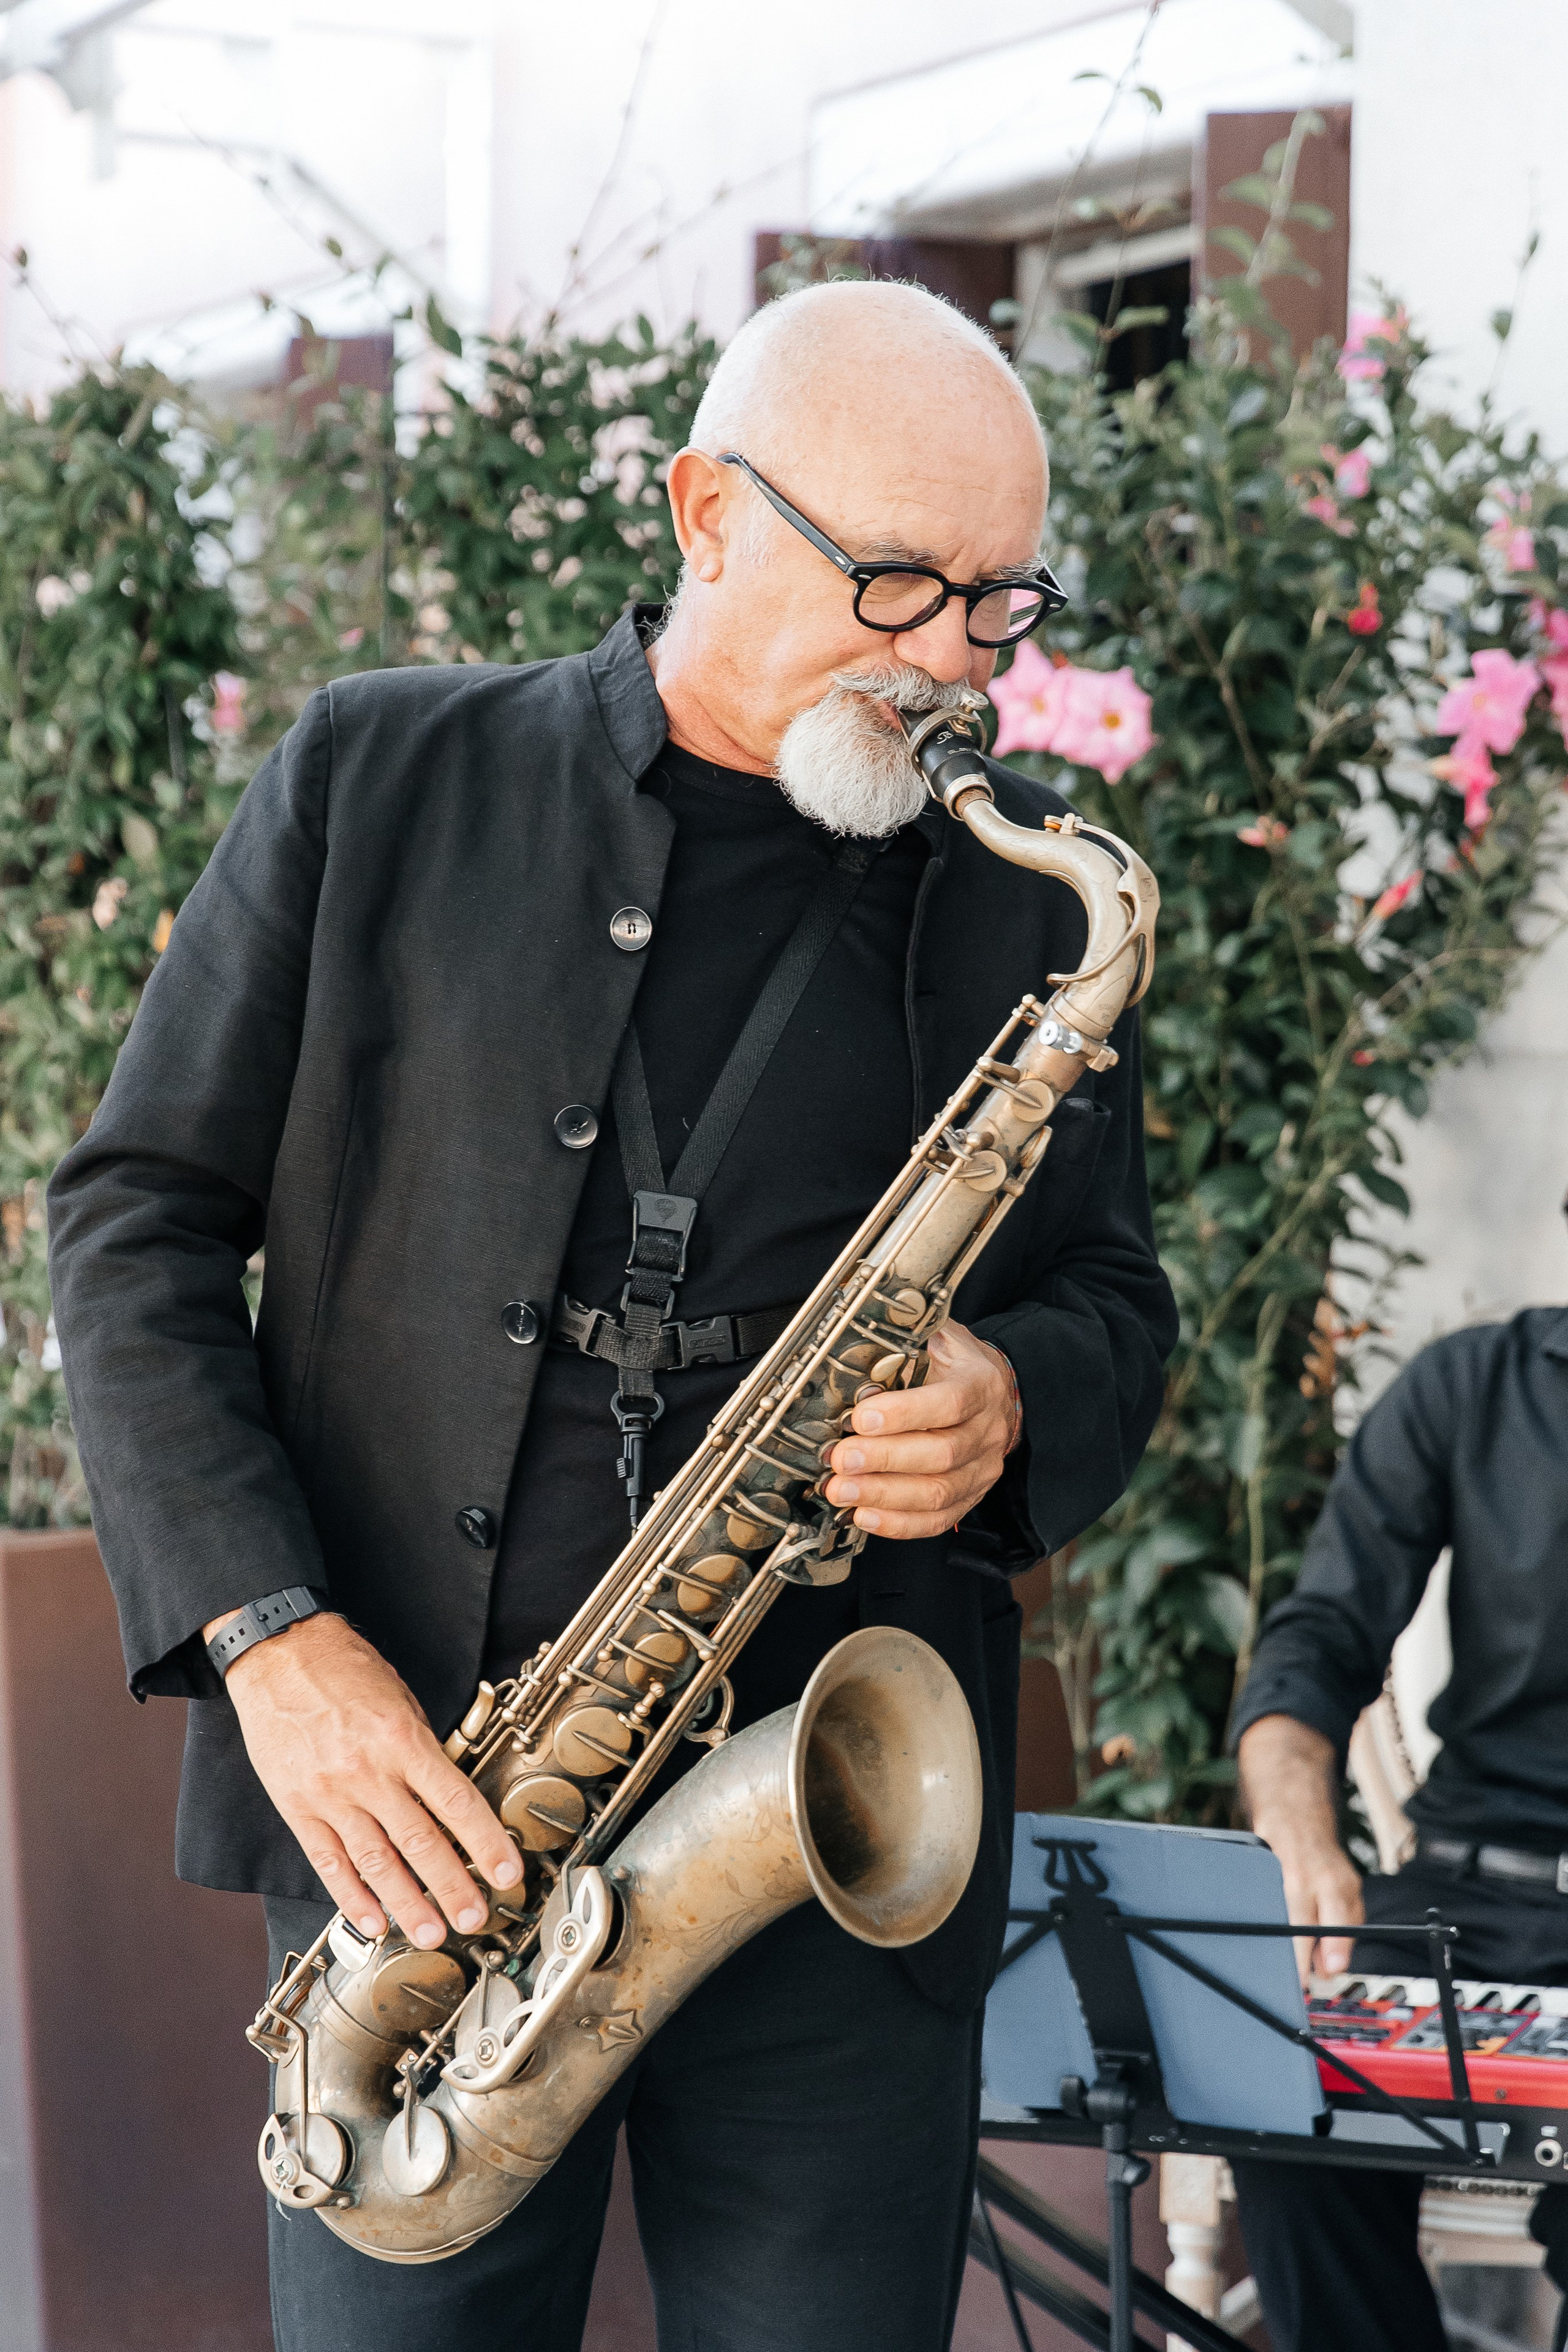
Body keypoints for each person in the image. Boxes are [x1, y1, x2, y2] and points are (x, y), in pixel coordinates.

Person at [47, 280, 1176, 2352]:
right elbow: (134, 1221)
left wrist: (1014, 1401)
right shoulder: (378, 776)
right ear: (705, 511)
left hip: (840, 1869)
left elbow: (1121, 1295)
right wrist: (271, 1648)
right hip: (432, 1850)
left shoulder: (1021, 903)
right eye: (903, 586)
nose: (955, 667)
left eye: (1002, 605)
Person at [1231, 1283, 1568, 2351]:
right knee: (1285, 2100)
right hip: (1464, 1890)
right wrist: (1301, 1832)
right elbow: (1317, 1641)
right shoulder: (1472, 1382)